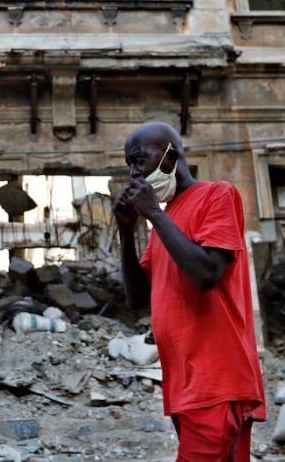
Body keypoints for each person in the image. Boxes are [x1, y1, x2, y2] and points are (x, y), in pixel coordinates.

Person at [113, 122, 265, 461]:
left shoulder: (217, 194)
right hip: (185, 383)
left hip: (216, 380)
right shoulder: (163, 225)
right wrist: (127, 232)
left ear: (170, 157)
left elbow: (208, 274)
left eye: (140, 160)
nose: (134, 172)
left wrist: (152, 212)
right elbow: (137, 300)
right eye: (129, 164)